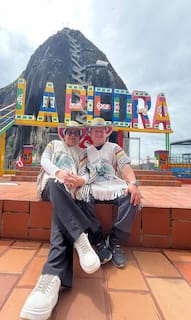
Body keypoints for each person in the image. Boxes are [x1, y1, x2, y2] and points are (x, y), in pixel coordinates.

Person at [20, 120, 102, 320]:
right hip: (52, 186)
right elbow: (44, 161)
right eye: (69, 132)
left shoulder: (82, 153)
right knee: (57, 186)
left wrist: (80, 180)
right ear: (63, 133)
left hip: (69, 194)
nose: (72, 135)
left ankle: (52, 278)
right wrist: (59, 173)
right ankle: (81, 239)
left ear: (79, 136)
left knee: (61, 216)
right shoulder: (53, 145)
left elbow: (88, 173)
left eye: (76, 132)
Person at [85, 117, 142, 268]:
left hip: (114, 186)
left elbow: (125, 165)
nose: (98, 133)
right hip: (94, 187)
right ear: (90, 133)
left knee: (132, 196)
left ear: (106, 132)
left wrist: (132, 183)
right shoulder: (86, 152)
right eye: (95, 130)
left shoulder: (115, 148)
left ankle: (115, 239)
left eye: (101, 130)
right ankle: (97, 238)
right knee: (80, 197)